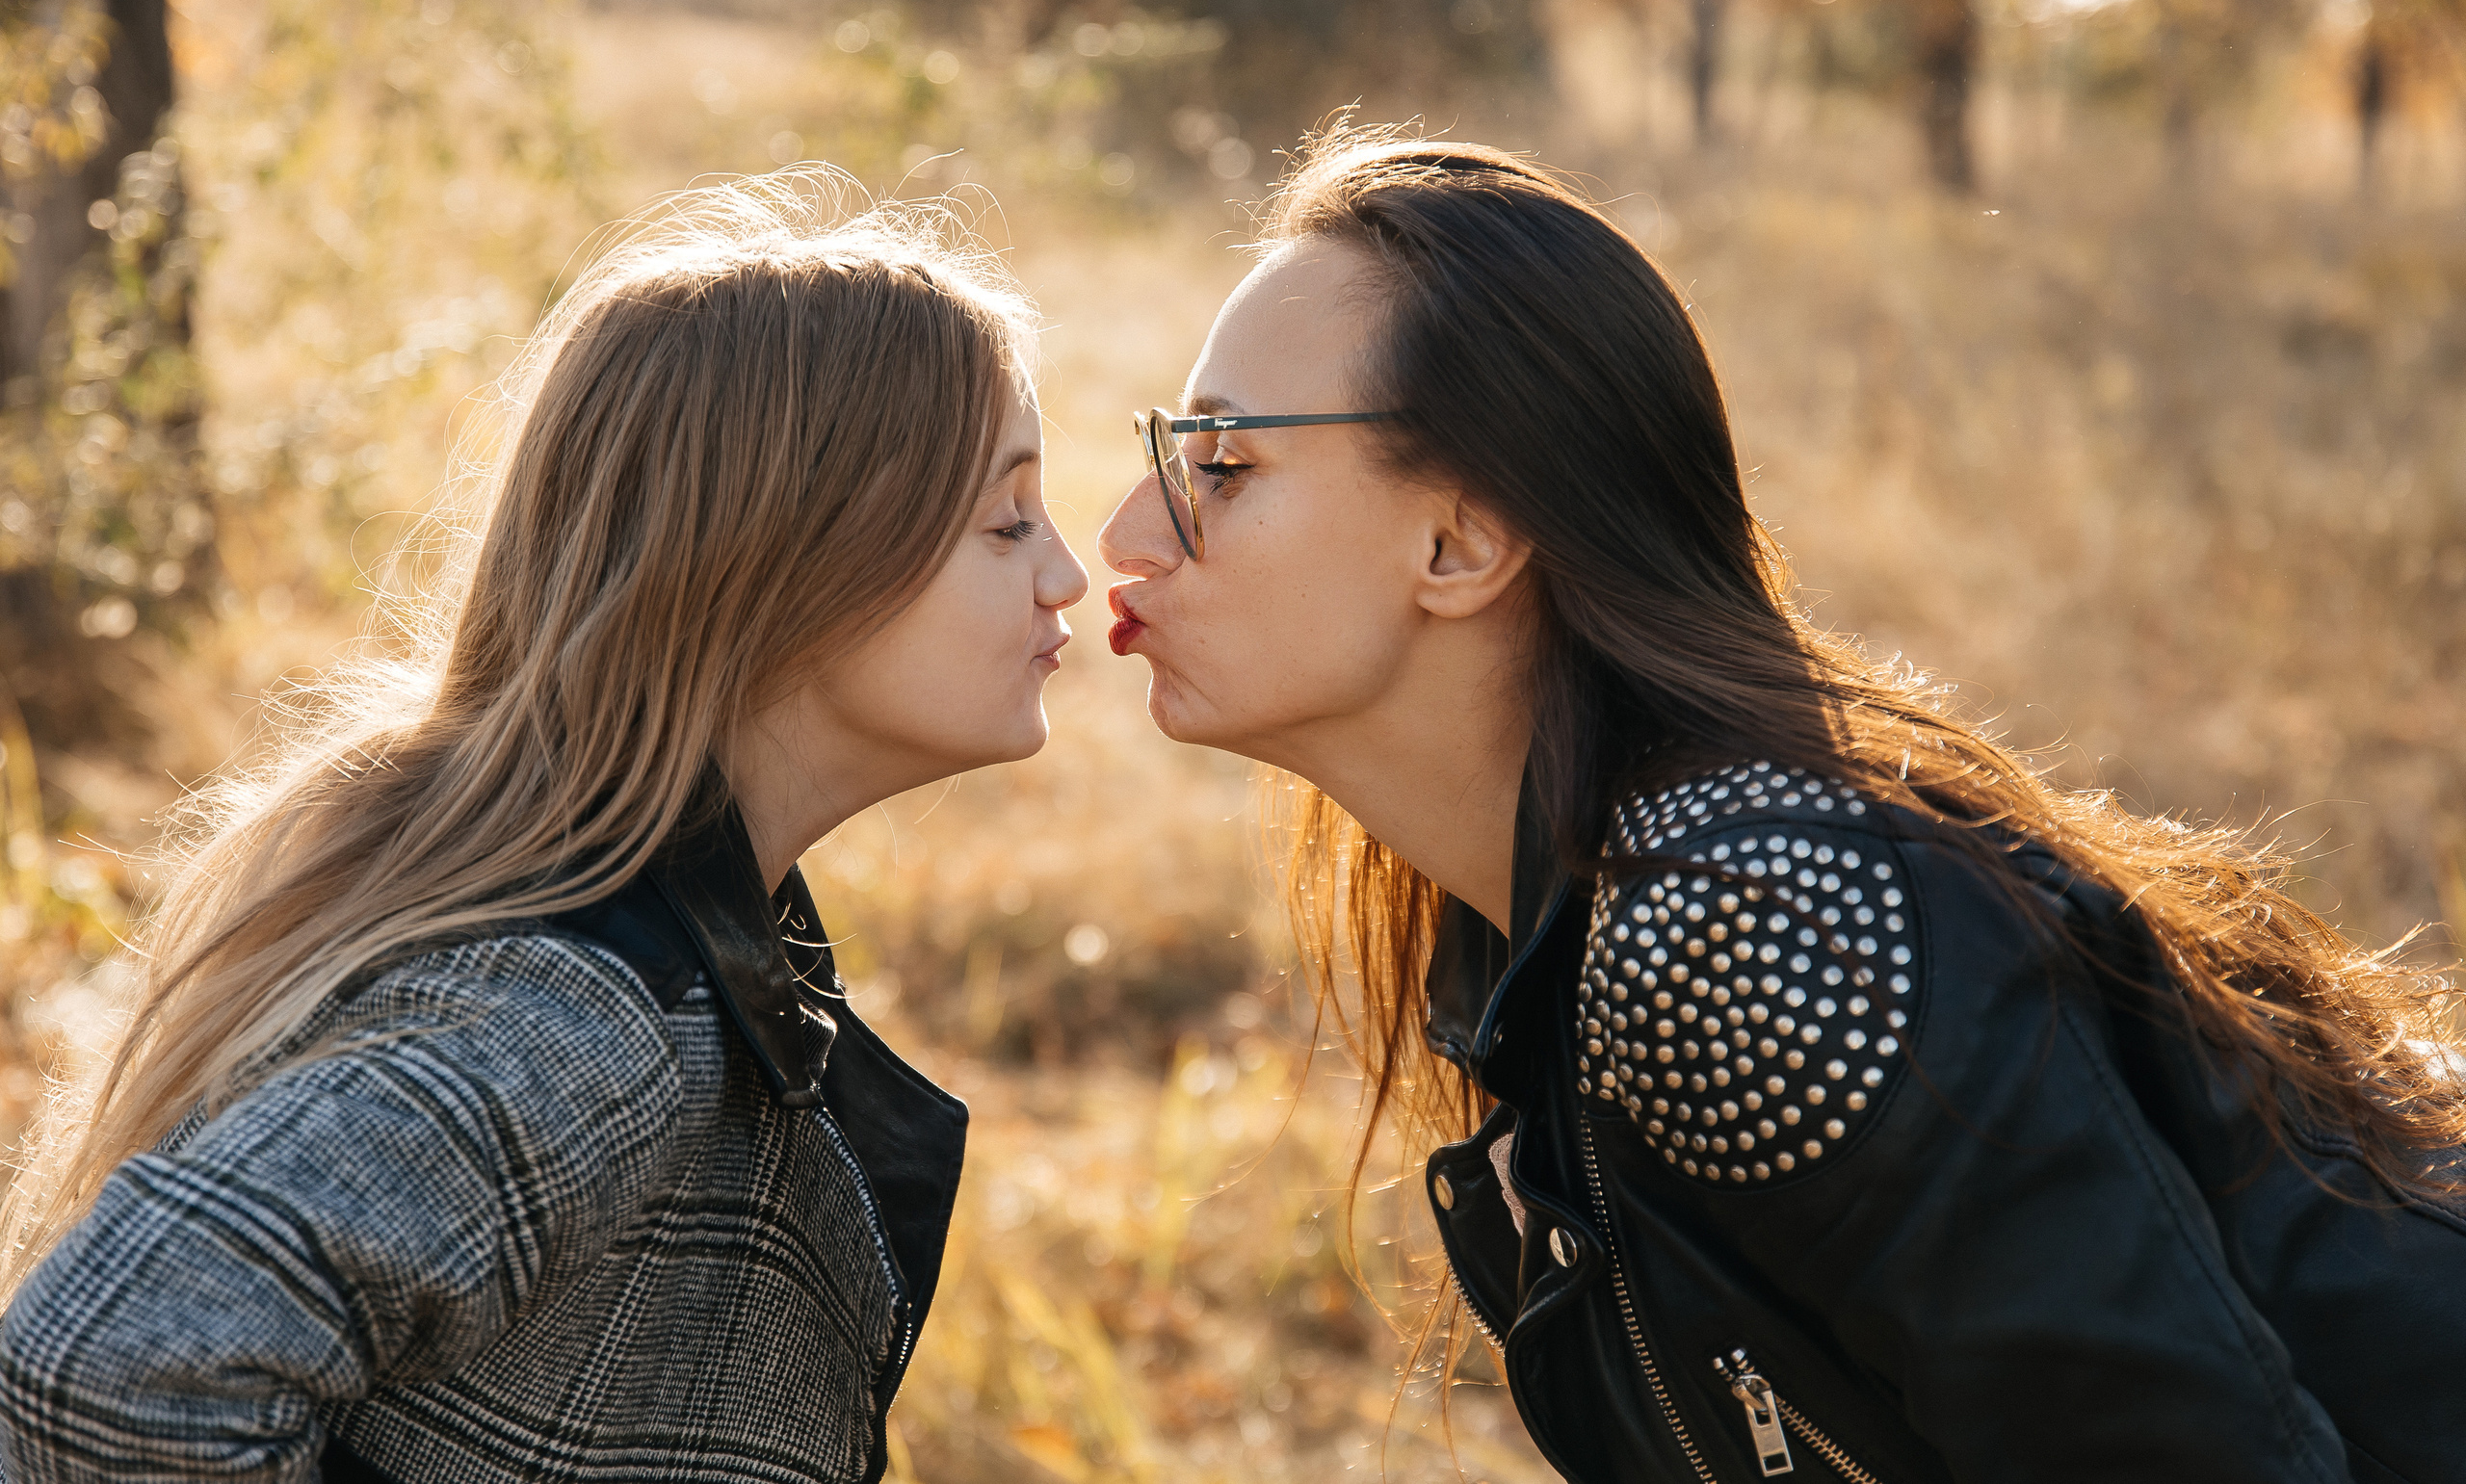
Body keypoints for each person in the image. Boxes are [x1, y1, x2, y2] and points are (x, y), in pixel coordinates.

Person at [1095, 131, 2466, 1483]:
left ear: (1461, 541)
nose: (1126, 535)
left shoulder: (1752, 927)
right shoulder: (1543, 920)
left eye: (1221, 464)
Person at [0, 174, 1089, 1483]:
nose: (1066, 573)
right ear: (789, 563)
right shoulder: (580, 1014)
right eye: (1006, 522)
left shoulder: (639, 941)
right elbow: (108, 1370)